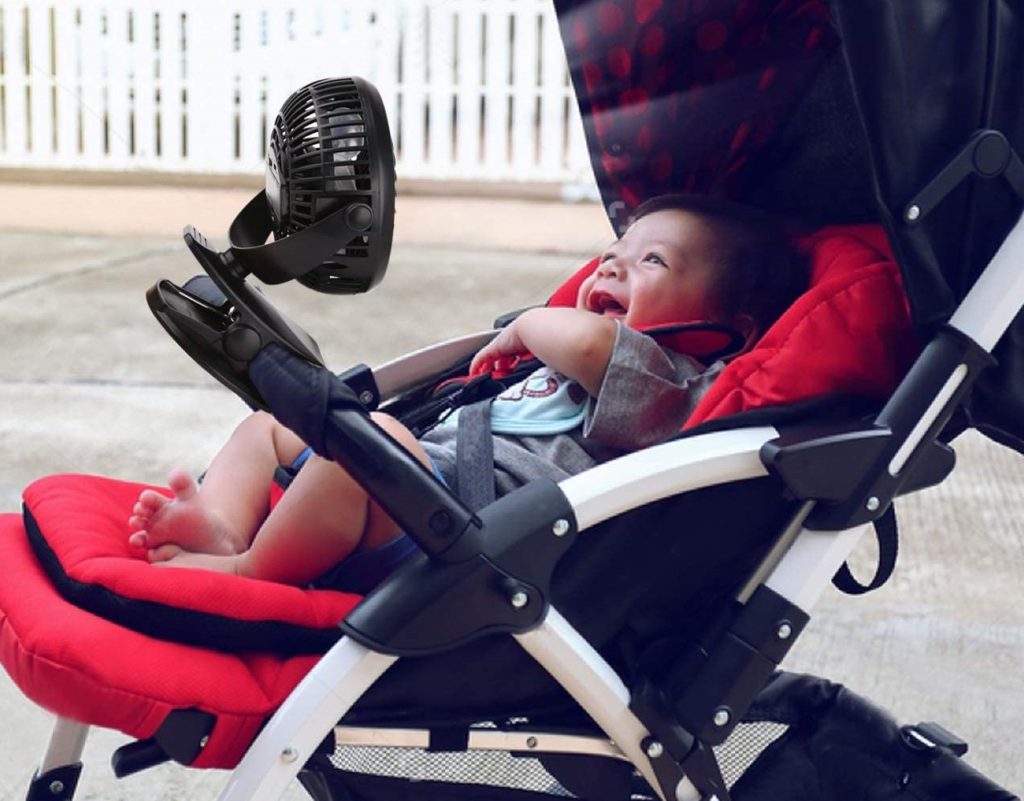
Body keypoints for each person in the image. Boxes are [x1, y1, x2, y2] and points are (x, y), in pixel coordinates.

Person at [127, 194, 805, 588]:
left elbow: (594, 345)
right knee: (270, 426)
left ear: (728, 329)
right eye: (612, 256)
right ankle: (219, 522)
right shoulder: (568, 363)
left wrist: (528, 324)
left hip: (463, 535)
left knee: (368, 447)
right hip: (416, 489)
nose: (614, 268)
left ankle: (248, 575)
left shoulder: (674, 381)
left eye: (651, 261)